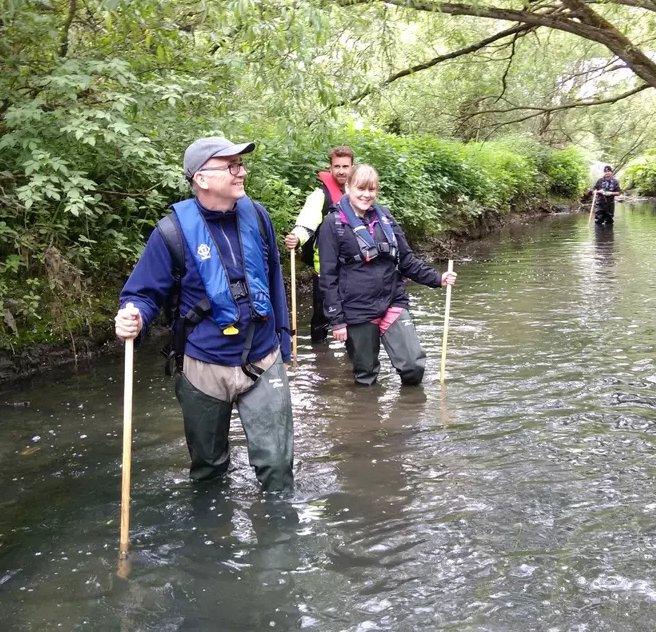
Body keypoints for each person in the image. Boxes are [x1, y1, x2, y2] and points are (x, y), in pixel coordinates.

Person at [114, 137, 294, 492]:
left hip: (263, 354)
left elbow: (275, 280)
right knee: (208, 471)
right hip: (203, 363)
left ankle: (280, 541)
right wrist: (131, 315)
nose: (241, 172)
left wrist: (284, 344)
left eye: (240, 164)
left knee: (277, 468)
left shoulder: (258, 217)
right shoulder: (171, 233)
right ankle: (214, 538)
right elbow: (142, 293)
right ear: (202, 178)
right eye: (231, 166)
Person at [318, 164, 457, 386]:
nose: (366, 195)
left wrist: (437, 278)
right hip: (357, 309)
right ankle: (367, 417)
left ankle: (411, 413)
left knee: (413, 365)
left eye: (371, 189)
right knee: (366, 376)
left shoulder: (385, 219)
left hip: (392, 299)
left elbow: (406, 260)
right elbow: (327, 276)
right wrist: (337, 321)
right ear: (348, 187)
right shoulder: (332, 224)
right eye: (360, 188)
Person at [284, 146, 353, 343]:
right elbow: (306, 224)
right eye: (337, 166)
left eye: (345, 166)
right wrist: (296, 239)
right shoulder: (319, 196)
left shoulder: (360, 194)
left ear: (352, 167)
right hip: (325, 269)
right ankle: (319, 358)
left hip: (354, 270)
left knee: (355, 318)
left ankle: (353, 363)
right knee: (321, 320)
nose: (341, 171)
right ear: (330, 169)